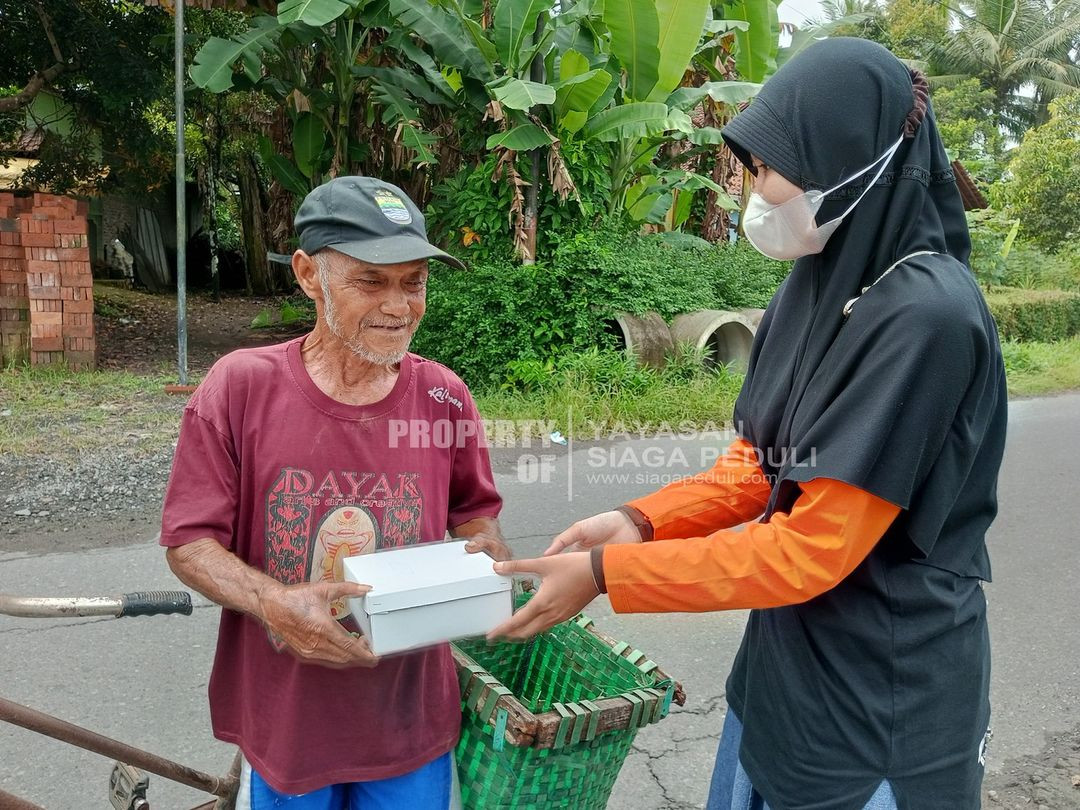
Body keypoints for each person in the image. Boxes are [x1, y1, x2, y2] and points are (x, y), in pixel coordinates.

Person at [489, 38, 1007, 810]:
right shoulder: (820, 280)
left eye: (765, 168)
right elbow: (763, 465)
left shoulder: (926, 316)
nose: (752, 194)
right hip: (785, 672)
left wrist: (604, 577)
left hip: (878, 704)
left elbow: (811, 549)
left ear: (846, 159)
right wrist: (639, 522)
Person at [161, 176, 507, 810]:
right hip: (290, 725)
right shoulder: (240, 389)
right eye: (371, 281)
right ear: (308, 275)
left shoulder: (443, 397)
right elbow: (189, 541)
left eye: (414, 282)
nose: (399, 306)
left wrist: (485, 575)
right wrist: (275, 603)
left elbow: (474, 516)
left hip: (410, 722)